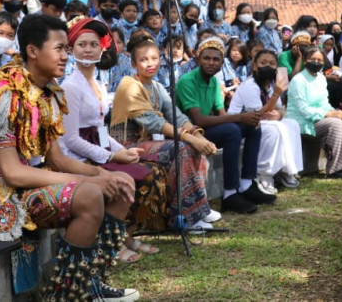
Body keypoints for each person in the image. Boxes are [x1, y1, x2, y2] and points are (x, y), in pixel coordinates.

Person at [0, 14, 140, 302]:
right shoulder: (2, 94)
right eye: (59, 49)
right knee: (91, 195)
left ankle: (90, 282)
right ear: (32, 51)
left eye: (66, 49)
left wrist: (102, 174)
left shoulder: (47, 92)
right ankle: (67, 295)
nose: (65, 56)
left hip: (26, 184)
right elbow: (13, 173)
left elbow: (57, 159)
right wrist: (88, 181)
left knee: (120, 185)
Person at [59, 17, 167, 262]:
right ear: (71, 49)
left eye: (93, 44)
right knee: (124, 181)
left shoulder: (98, 84)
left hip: (97, 148)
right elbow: (72, 140)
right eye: (81, 44)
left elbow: (100, 129)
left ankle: (123, 234)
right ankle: (111, 243)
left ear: (102, 48)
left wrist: (122, 150)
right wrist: (111, 155)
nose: (88, 50)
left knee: (148, 170)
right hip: (78, 157)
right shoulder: (71, 87)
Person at [110, 37, 220, 232]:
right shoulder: (129, 84)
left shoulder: (157, 86)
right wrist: (190, 138)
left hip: (147, 142)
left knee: (193, 146)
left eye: (154, 58)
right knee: (183, 148)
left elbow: (176, 116)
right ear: (134, 64)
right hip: (127, 146)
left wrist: (199, 136)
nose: (150, 63)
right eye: (143, 59)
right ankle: (188, 217)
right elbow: (153, 122)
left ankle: (197, 208)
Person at [175, 37, 274, 213]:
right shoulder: (187, 81)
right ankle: (230, 194)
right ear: (197, 60)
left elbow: (221, 114)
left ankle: (247, 184)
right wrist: (240, 117)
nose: (211, 63)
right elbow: (199, 120)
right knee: (231, 130)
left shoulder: (214, 81)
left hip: (204, 130)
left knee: (253, 126)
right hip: (189, 133)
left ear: (222, 63)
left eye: (216, 59)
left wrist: (246, 119)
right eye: (206, 58)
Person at [226, 49, 302, 190]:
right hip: (241, 127)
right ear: (255, 66)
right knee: (273, 130)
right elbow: (256, 116)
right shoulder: (250, 85)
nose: (267, 66)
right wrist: (276, 95)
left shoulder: (272, 84)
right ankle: (263, 173)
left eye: (272, 64)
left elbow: (279, 109)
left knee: (292, 124)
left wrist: (278, 115)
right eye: (263, 63)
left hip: (263, 121)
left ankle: (285, 170)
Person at [288, 45, 342, 178]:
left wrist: (335, 112)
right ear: (305, 60)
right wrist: (328, 114)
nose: (316, 62)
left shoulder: (321, 78)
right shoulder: (298, 80)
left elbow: (324, 103)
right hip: (302, 122)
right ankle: (336, 169)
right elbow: (304, 110)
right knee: (336, 124)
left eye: (319, 60)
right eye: (312, 59)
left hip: (319, 119)